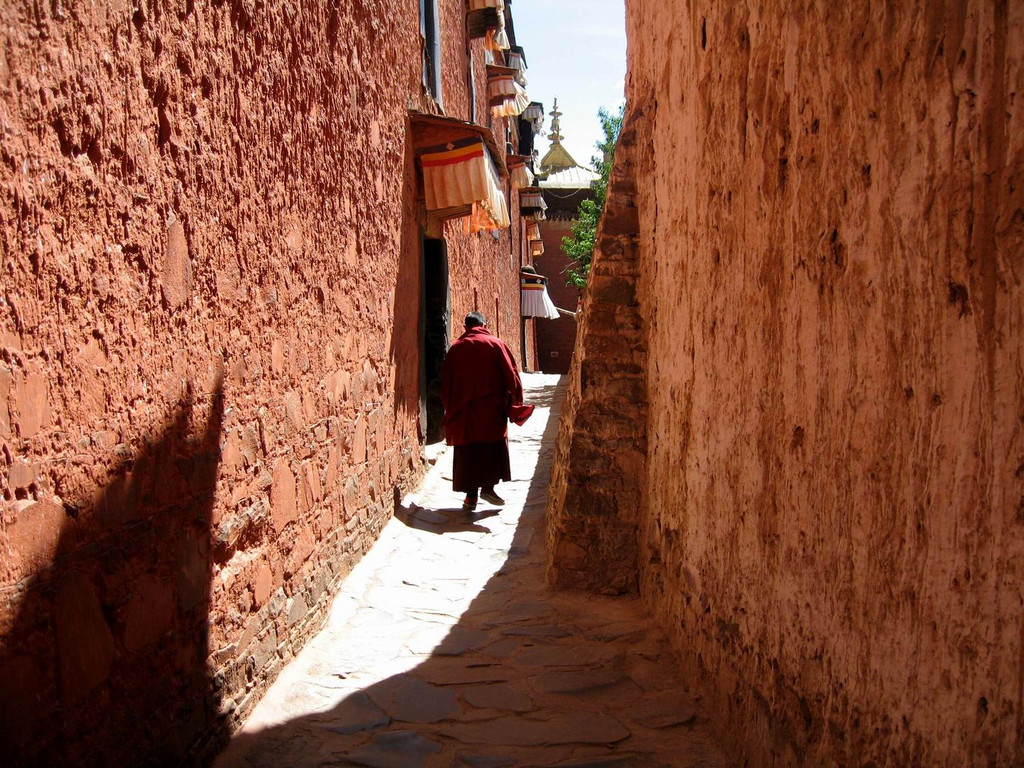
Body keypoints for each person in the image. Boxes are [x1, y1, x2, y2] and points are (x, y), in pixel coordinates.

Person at [440, 311, 525, 511]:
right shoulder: (495, 344)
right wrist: (515, 400)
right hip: (491, 410)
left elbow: (445, 380)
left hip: (465, 412)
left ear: (465, 327)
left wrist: (450, 406)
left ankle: (471, 497)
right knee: (491, 447)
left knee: (469, 451)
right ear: (484, 324)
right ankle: (488, 488)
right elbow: (511, 374)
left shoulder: (456, 348)